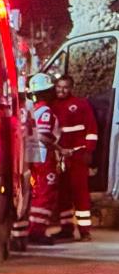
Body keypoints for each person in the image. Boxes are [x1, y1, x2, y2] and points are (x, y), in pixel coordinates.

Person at [53, 76, 99, 241]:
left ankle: (85, 230)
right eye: (59, 87)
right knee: (62, 195)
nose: (61, 90)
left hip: (78, 156)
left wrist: (89, 151)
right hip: (60, 156)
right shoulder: (53, 106)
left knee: (80, 194)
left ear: (71, 88)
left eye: (65, 87)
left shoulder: (81, 104)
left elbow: (92, 130)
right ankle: (66, 228)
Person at [25, 73, 60, 246]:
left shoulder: (34, 110)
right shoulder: (46, 111)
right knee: (45, 194)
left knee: (37, 193)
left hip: (34, 157)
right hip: (44, 158)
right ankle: (36, 231)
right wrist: (60, 149)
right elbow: (44, 136)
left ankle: (33, 228)